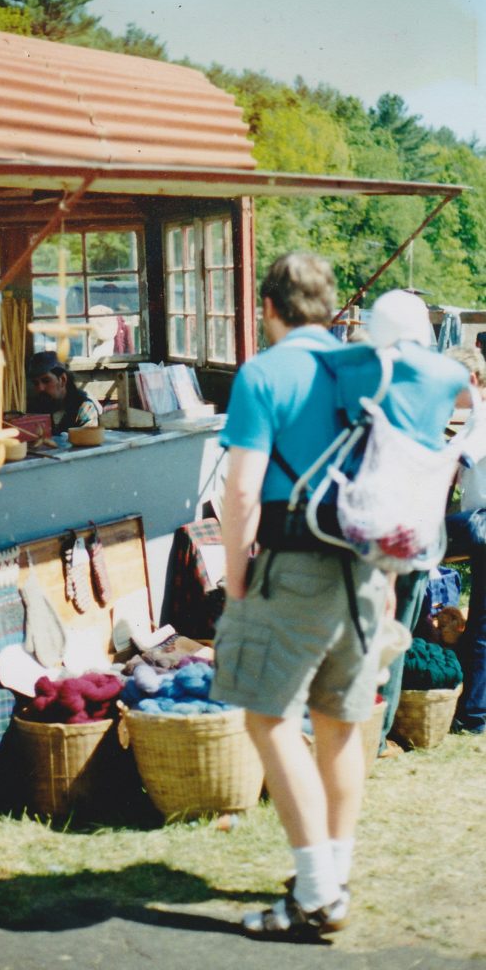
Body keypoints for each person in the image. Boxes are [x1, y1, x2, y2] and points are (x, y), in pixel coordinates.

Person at [210, 258, 468, 940]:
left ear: (269, 306)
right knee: (340, 725)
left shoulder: (264, 374)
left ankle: (318, 893)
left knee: (267, 717)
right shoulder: (366, 366)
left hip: (291, 565)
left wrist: (236, 578)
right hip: (364, 570)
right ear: (328, 308)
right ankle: (333, 875)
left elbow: (241, 491)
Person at [443, 343, 486, 734]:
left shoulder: (482, 418)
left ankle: (473, 716)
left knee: (482, 628)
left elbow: (459, 461)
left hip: (483, 524)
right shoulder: (475, 418)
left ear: (471, 380)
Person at [27, 350, 101, 433]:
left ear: (62, 379)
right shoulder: (35, 408)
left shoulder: (84, 408)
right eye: (36, 383)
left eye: (46, 381)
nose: (40, 388)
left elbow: (89, 441)